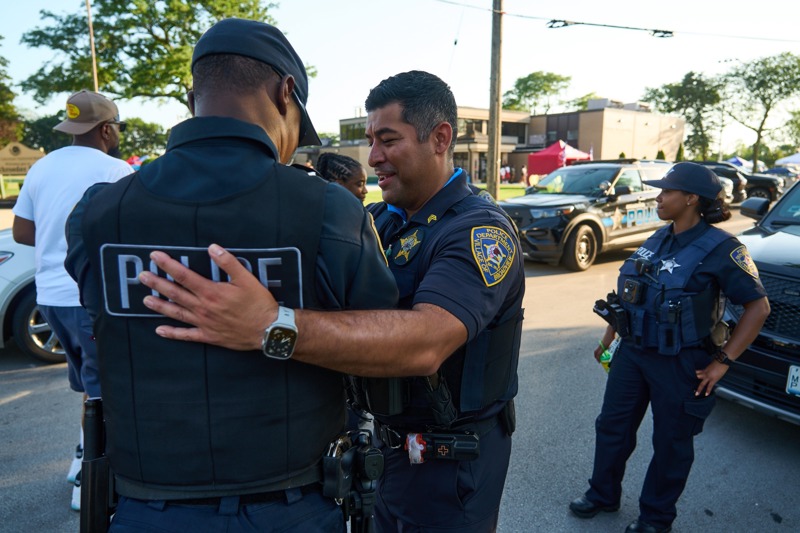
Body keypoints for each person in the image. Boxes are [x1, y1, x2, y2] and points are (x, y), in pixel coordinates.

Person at [137, 70, 526, 532]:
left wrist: (271, 326)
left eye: (388, 140)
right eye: (371, 140)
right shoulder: (381, 219)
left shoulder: (480, 232)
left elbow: (427, 343)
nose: (374, 157)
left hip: (450, 466)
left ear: (440, 138)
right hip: (385, 451)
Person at [65, 18, 397, 532]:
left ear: (192, 97)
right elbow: (383, 346)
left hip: (145, 506)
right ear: (285, 92)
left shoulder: (99, 212)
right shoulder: (329, 210)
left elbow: (101, 320)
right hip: (293, 507)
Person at [568, 162, 770, 533]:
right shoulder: (658, 238)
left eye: (667, 191)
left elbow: (759, 308)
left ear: (692, 198)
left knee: (671, 443)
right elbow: (634, 292)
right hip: (633, 353)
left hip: (682, 361)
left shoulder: (723, 249)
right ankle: (602, 494)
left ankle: (656, 518)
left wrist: (723, 362)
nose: (659, 198)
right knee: (612, 427)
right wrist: (609, 336)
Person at [12, 89, 134, 512]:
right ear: (106, 129)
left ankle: (81, 454)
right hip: (90, 296)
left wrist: (58, 236)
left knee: (90, 385)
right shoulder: (116, 170)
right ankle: (88, 481)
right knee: (106, 391)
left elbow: (22, 232)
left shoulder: (42, 166)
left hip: (50, 297)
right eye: (116, 126)